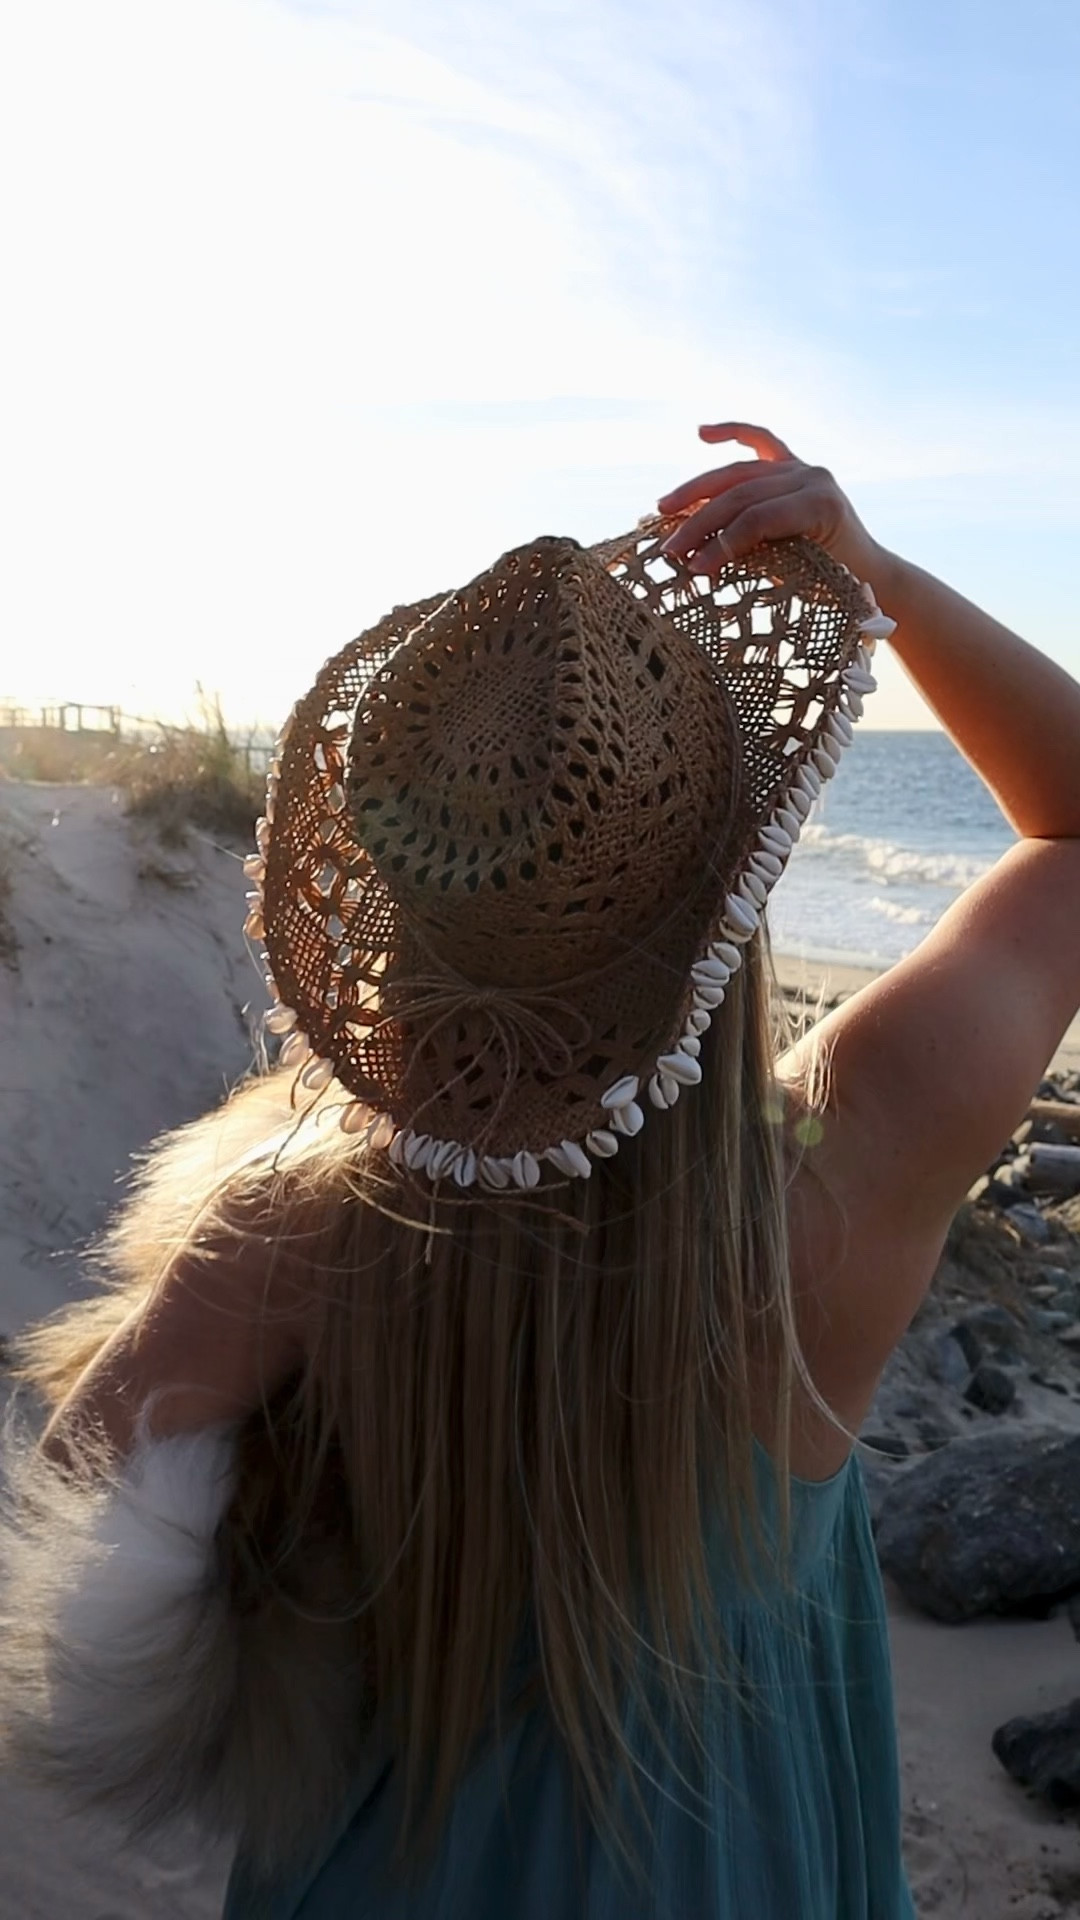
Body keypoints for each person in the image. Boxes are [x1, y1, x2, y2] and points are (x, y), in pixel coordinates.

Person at [2, 422, 1079, 1920]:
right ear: (733, 891)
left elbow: (78, 1532)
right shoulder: (843, 1174)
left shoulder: (296, 1230)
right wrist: (877, 574)